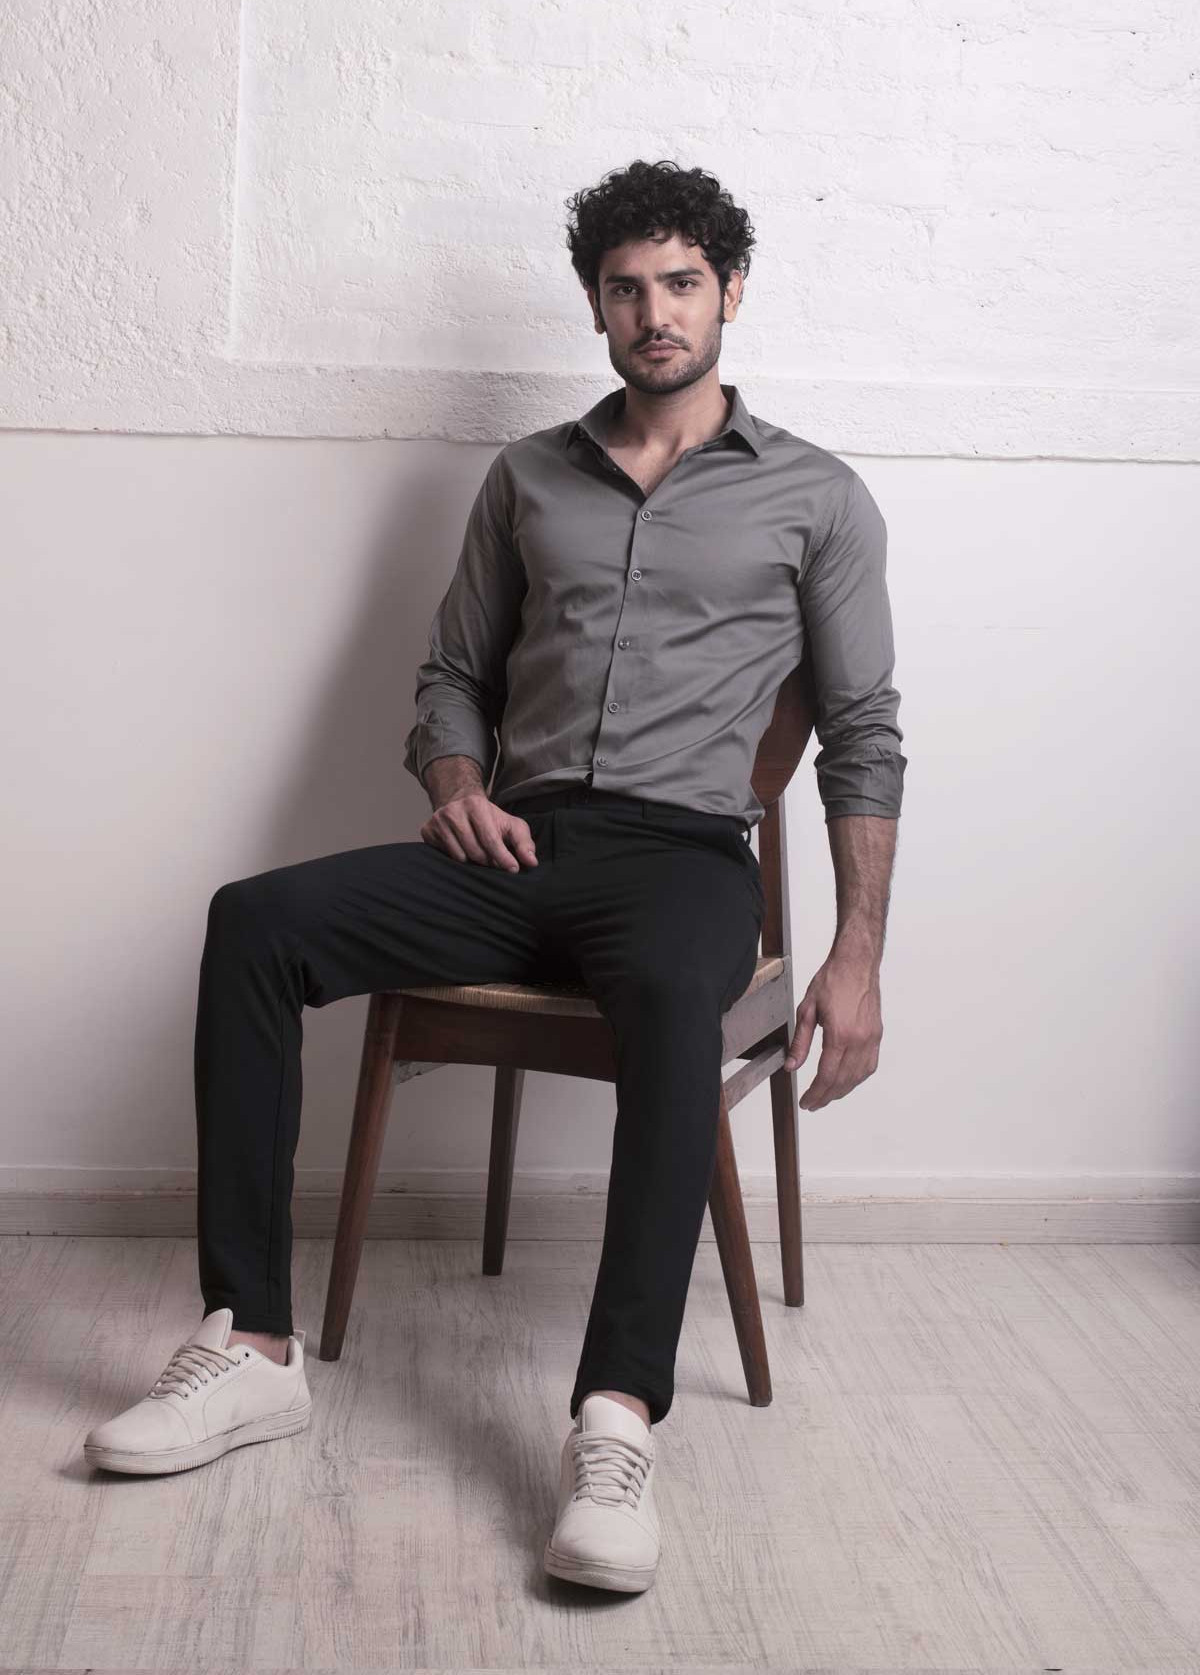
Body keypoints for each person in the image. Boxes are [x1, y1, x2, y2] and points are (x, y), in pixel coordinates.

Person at [84, 158, 906, 1594]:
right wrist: (455, 787)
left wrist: (856, 956)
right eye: (626, 289)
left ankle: (616, 1419)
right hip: (515, 847)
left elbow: (864, 732)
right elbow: (452, 674)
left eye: (682, 284)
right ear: (595, 306)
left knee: (670, 997)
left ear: (730, 292)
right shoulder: (526, 476)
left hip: (682, 862)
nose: (655, 313)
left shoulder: (818, 497)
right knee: (255, 923)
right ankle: (254, 1344)